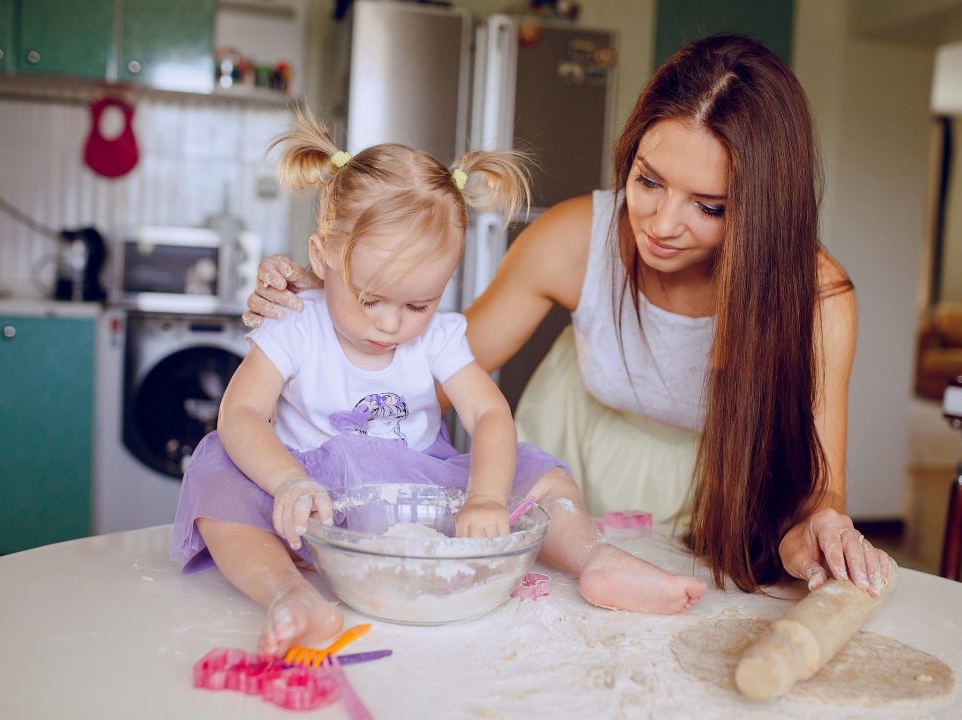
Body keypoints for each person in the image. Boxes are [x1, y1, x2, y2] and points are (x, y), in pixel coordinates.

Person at [244, 34, 894, 598]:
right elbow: (418, 378)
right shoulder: (572, 239)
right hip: (574, 464)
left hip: (720, 506)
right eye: (648, 181)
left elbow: (821, 490)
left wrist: (823, 526)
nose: (663, 226)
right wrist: (338, 305)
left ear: (763, 209)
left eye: (711, 207)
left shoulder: (817, 296)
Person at [172, 111, 706, 656]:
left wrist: (485, 498)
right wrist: (286, 482)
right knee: (216, 472)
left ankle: (596, 559)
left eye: (418, 304)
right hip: (310, 497)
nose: (389, 324)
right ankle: (288, 593)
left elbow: (489, 416)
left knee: (542, 474)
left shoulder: (438, 338)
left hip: (417, 488)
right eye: (370, 298)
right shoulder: (296, 322)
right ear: (322, 256)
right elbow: (240, 414)